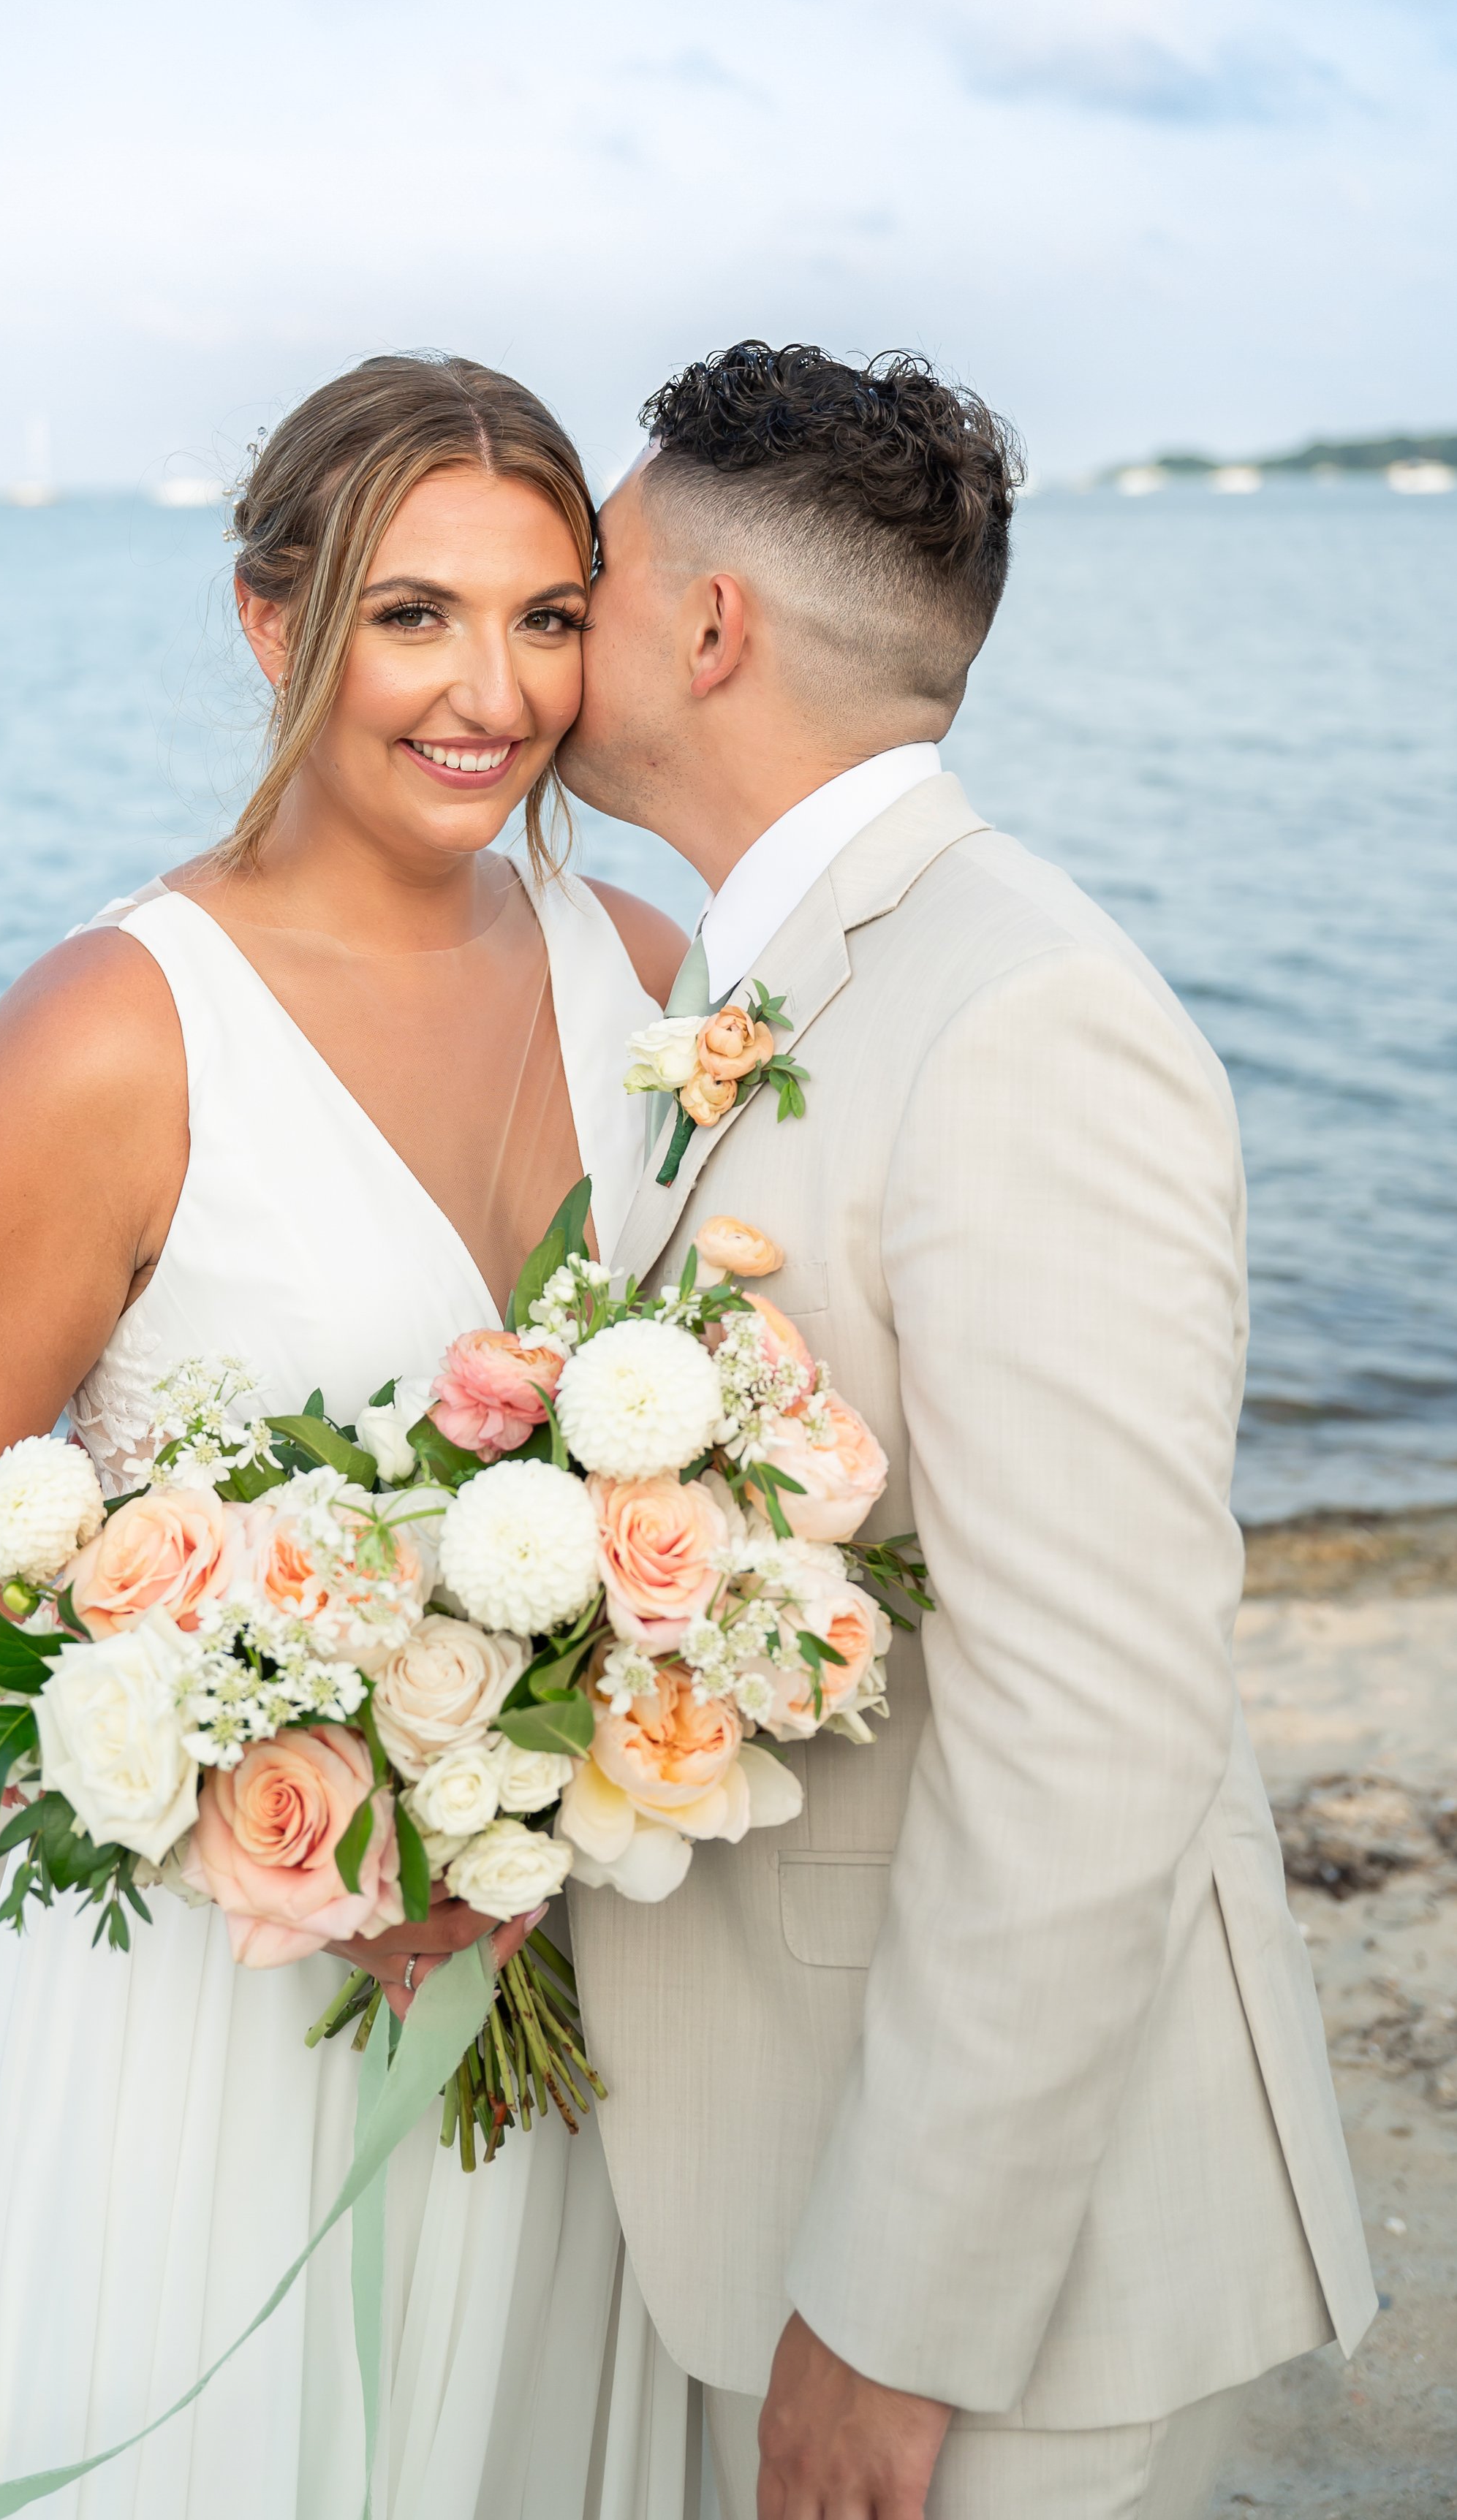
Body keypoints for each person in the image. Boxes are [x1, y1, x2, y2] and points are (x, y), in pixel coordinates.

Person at [0, 354, 697, 2519]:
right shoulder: (111, 1035)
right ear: (272, 623)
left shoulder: (651, 970)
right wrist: (289, 1837)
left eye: (545, 616)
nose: (487, 690)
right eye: (412, 615)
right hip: (223, 2011)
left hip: (579, 1957)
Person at [559, 340, 1375, 2520]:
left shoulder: (1017, 1017)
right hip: (779, 2146)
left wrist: (893, 2316)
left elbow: (1096, 1721)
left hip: (1006, 2290)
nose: (560, 620)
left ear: (708, 630)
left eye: (592, 576)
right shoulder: (777, 976)